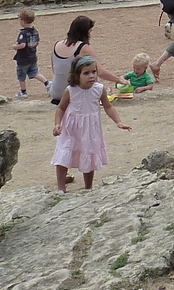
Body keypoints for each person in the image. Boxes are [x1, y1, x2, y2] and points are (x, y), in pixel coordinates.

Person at [51, 56, 131, 191]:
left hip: (90, 130)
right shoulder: (70, 90)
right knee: (64, 155)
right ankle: (61, 189)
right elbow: (61, 108)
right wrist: (57, 124)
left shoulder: (99, 89)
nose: (91, 76)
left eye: (94, 72)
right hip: (71, 129)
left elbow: (108, 106)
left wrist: (118, 121)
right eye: (86, 73)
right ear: (77, 75)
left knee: (88, 155)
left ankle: (89, 187)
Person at [47, 15, 124, 105]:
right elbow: (100, 72)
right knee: (98, 84)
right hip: (71, 93)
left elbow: (55, 70)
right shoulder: (84, 47)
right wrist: (118, 80)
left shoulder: (57, 44)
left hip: (56, 91)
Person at [13, 8, 50, 98]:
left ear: (24, 21)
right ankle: (47, 83)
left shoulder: (23, 33)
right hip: (32, 57)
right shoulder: (35, 31)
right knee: (35, 72)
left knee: (21, 76)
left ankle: (23, 92)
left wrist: (15, 46)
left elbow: (22, 44)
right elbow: (37, 42)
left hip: (23, 59)